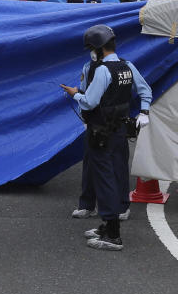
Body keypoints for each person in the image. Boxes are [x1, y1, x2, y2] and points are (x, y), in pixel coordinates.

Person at [60, 25, 152, 251]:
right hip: (119, 129)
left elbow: (90, 101)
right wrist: (144, 112)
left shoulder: (101, 70)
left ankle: (112, 233)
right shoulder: (127, 66)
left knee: (104, 178)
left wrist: (75, 95)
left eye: (91, 48)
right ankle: (107, 224)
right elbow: (145, 90)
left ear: (98, 49)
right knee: (114, 171)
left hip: (101, 130)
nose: (91, 53)